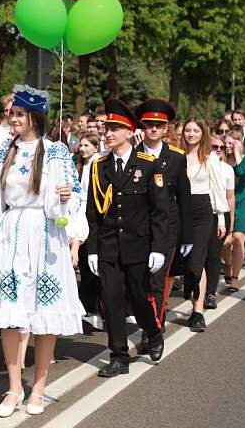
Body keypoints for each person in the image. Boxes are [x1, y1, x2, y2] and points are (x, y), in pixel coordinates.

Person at [0, 85, 82, 417]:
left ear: (34, 116)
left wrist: (63, 196)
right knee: (11, 315)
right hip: (11, 234)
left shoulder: (57, 152)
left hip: (47, 237)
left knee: (43, 317)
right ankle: (14, 387)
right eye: (11, 113)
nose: (13, 119)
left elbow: (74, 202)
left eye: (18, 114)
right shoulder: (5, 151)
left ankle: (39, 388)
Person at [85, 98, 171, 378]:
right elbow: (93, 211)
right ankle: (119, 355)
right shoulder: (99, 166)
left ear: (129, 132)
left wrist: (158, 248)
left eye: (115, 128)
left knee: (139, 297)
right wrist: (93, 249)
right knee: (111, 302)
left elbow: (160, 211)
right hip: (109, 246)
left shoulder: (148, 165)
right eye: (107, 128)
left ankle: (153, 331)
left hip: (138, 246)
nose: (108, 133)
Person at [133, 99, 192, 347]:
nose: (154, 129)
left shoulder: (176, 157)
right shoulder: (133, 155)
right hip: (137, 229)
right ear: (142, 127)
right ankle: (150, 320)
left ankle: (153, 330)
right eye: (149, 124)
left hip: (166, 230)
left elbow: (184, 197)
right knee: (139, 282)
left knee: (157, 281)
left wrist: (187, 235)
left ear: (166, 128)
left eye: (159, 125)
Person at [179, 118, 227, 332]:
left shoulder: (210, 159)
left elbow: (217, 191)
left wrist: (222, 219)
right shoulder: (176, 158)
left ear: (202, 133)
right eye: (187, 130)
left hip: (202, 212)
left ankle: (197, 311)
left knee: (197, 262)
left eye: (195, 130)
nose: (191, 134)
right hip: (180, 211)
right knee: (182, 262)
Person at [73, 132, 104, 328]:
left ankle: (95, 308)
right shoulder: (78, 164)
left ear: (95, 147)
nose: (83, 149)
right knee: (84, 266)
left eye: (87, 145)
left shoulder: (98, 163)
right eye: (81, 145)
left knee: (95, 266)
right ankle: (84, 308)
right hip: (78, 216)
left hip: (93, 217)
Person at [205, 134, 235, 309]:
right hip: (201, 214)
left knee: (214, 254)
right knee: (200, 255)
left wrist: (231, 228)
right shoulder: (199, 164)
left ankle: (210, 293)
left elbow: (230, 198)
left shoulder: (227, 169)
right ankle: (198, 289)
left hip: (220, 215)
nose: (218, 150)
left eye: (222, 148)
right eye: (214, 147)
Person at [222, 127, 245, 291]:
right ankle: (227, 265)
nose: (228, 146)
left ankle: (235, 276)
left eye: (231, 143)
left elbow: (242, 171)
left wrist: (237, 153)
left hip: (242, 202)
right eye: (226, 142)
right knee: (226, 242)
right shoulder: (221, 158)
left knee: (238, 240)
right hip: (225, 203)